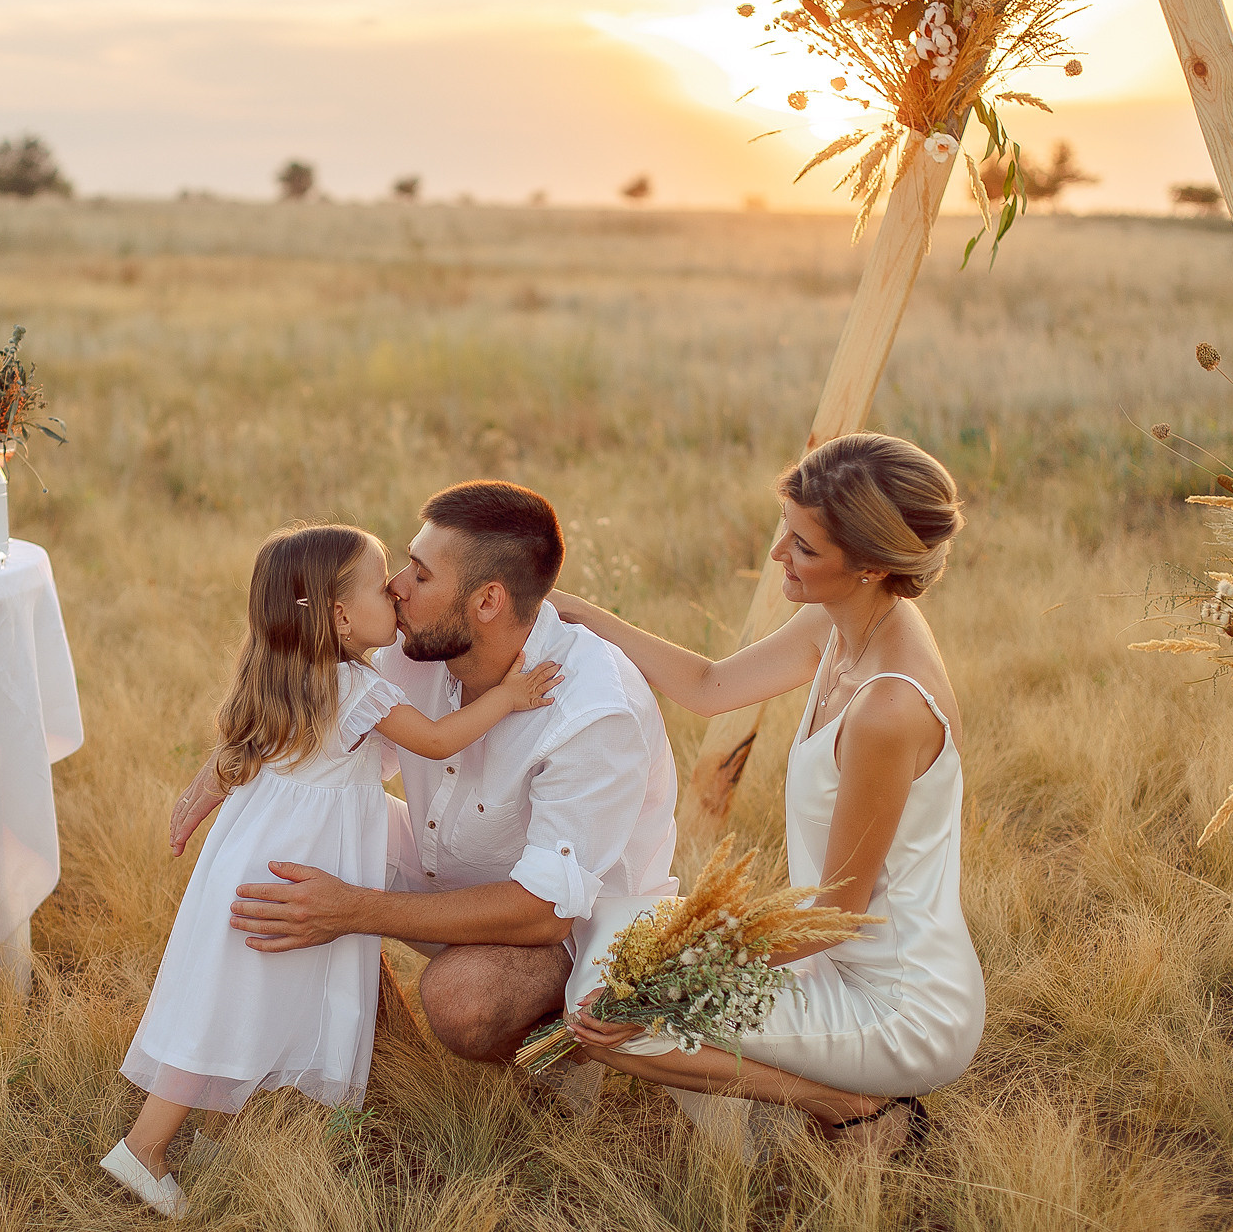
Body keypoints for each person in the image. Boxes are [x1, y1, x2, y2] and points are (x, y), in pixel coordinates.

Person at [104, 523, 561, 1218]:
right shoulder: (355, 688)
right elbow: (438, 740)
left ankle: (213, 1137)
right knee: (234, 1005)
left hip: (255, 860)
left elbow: (241, 760)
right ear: (342, 617)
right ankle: (143, 1147)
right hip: (296, 870)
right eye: (381, 585)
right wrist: (510, 697)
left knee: (246, 999)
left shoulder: (285, 674)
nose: (395, 593)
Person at [551, 432, 982, 1153]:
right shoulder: (840, 621)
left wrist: (664, 982)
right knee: (608, 947)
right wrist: (577, 612)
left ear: (872, 565)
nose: (779, 552)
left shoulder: (888, 708)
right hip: (833, 963)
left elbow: (833, 919)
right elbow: (709, 686)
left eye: (804, 546)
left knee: (622, 1022)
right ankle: (828, 1088)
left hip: (899, 1005)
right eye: (786, 527)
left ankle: (854, 1106)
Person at [170, 480, 679, 1068]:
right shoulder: (415, 648)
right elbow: (324, 753)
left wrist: (352, 909)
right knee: (286, 832)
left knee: (461, 998)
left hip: (575, 930)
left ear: (487, 602)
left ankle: (565, 1066)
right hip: (459, 864)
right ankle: (342, 1041)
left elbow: (547, 910)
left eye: (421, 573)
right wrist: (231, 767)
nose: (396, 586)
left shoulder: (593, 710)